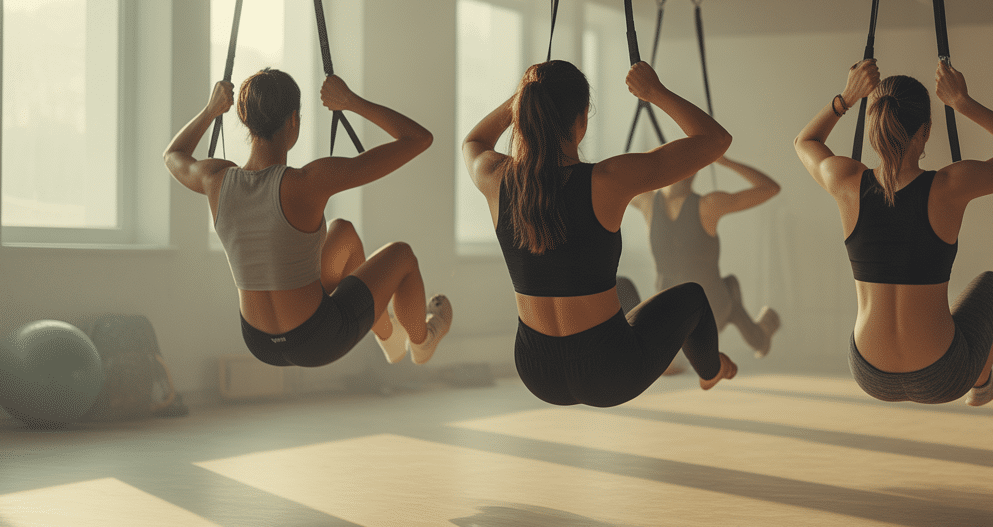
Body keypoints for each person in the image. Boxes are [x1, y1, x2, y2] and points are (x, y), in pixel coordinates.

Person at [463, 60, 737, 407]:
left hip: (536, 371)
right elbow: (715, 140)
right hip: (608, 372)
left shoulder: (495, 177)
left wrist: (523, 97)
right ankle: (710, 371)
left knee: (622, 290)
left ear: (526, 113)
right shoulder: (608, 180)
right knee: (692, 297)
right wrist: (655, 92)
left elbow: (474, 139)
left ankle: (707, 370)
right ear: (580, 121)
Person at [794, 59, 993, 406]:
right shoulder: (950, 186)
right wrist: (963, 103)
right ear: (925, 131)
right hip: (943, 375)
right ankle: (982, 385)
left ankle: (980, 383)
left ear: (874, 125)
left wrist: (847, 97)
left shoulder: (846, 181)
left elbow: (804, 140)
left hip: (869, 373)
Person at [164, 69, 451, 368]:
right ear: (293, 120)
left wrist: (210, 111)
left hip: (258, 341)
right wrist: (350, 101)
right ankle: (423, 341)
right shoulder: (306, 182)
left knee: (343, 232)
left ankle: (389, 337)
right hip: (317, 338)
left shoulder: (215, 179)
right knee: (401, 255)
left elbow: (173, 154)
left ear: (246, 121)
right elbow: (419, 139)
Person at [629, 155, 782, 357]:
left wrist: (653, 160)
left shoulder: (647, 201)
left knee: (727, 289)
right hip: (707, 315)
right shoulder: (708, 205)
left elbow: (616, 181)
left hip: (668, 319)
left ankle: (760, 336)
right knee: (730, 287)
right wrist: (727, 162)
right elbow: (770, 188)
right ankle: (760, 337)